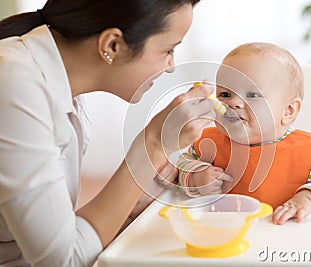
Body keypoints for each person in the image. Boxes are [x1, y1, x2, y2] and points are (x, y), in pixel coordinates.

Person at [0, 1, 218, 266]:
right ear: (112, 45)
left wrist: (129, 207)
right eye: (168, 50)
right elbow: (63, 260)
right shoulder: (16, 86)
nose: (171, 66)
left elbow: (48, 237)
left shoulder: (58, 84)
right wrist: (154, 143)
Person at [177, 42, 311, 225]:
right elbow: (180, 167)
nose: (233, 103)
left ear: (288, 110)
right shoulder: (207, 144)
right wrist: (196, 177)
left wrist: (308, 199)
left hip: (289, 243)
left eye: (252, 95)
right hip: (226, 240)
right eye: (224, 94)